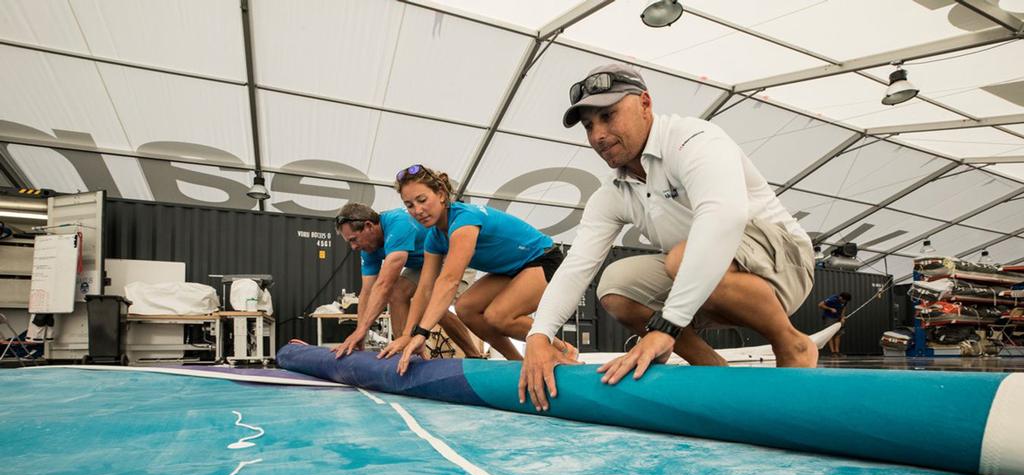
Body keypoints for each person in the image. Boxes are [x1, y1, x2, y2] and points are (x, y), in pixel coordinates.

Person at [519, 63, 818, 411]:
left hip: (785, 263)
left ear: (645, 104)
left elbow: (724, 217)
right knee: (616, 288)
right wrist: (538, 337)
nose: (598, 135)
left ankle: (790, 343)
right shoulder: (613, 193)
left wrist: (667, 327)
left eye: (608, 116)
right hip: (704, 282)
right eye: (589, 126)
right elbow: (577, 266)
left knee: (680, 258)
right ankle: (713, 370)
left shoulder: (693, 139)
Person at [379, 164, 574, 374]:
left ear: (442, 195)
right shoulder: (434, 238)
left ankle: (564, 349)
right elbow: (425, 288)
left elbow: (449, 281)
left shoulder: (464, 220)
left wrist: (422, 333)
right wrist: (408, 334)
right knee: (466, 309)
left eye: (422, 200)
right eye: (409, 205)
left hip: (541, 258)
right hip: (510, 270)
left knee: (498, 316)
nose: (417, 210)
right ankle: (517, 363)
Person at [331, 202, 480, 359]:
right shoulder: (369, 248)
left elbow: (384, 285)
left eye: (354, 239)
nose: (353, 247)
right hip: (424, 264)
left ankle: (475, 355)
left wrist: (361, 330)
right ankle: (404, 352)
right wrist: (361, 332)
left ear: (368, 226)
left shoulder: (398, 223)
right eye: (350, 242)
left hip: (453, 255)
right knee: (397, 293)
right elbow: (367, 292)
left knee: (434, 306)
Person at [818, 292, 851, 357]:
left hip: (838, 318)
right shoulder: (832, 299)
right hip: (829, 318)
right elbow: (820, 305)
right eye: (844, 300)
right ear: (841, 297)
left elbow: (844, 308)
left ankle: (837, 352)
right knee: (830, 335)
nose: (844, 302)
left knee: (838, 335)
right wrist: (830, 309)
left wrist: (842, 317)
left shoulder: (845, 301)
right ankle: (832, 352)